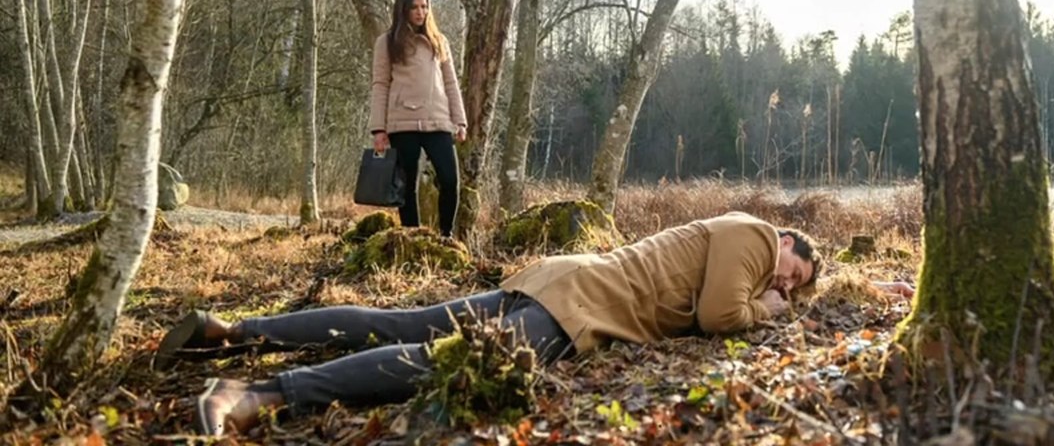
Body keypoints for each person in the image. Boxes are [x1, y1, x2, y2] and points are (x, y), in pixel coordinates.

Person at [157, 212, 828, 436]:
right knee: (431, 358)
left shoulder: (749, 244)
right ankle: (257, 396)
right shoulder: (756, 236)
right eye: (792, 273)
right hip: (578, 307)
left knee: (398, 324)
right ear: (790, 243)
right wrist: (765, 313)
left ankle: (235, 331)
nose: (783, 284)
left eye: (792, 289)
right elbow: (719, 316)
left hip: (565, 281)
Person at [369, 0, 467, 233]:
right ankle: (412, 235)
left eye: (424, 6)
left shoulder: (440, 41)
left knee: (449, 180)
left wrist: (460, 120)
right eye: (414, 7)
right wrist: (378, 129)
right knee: (407, 185)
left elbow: (451, 82)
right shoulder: (387, 42)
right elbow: (380, 85)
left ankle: (446, 237)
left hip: (439, 120)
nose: (420, 12)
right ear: (403, 9)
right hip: (403, 121)